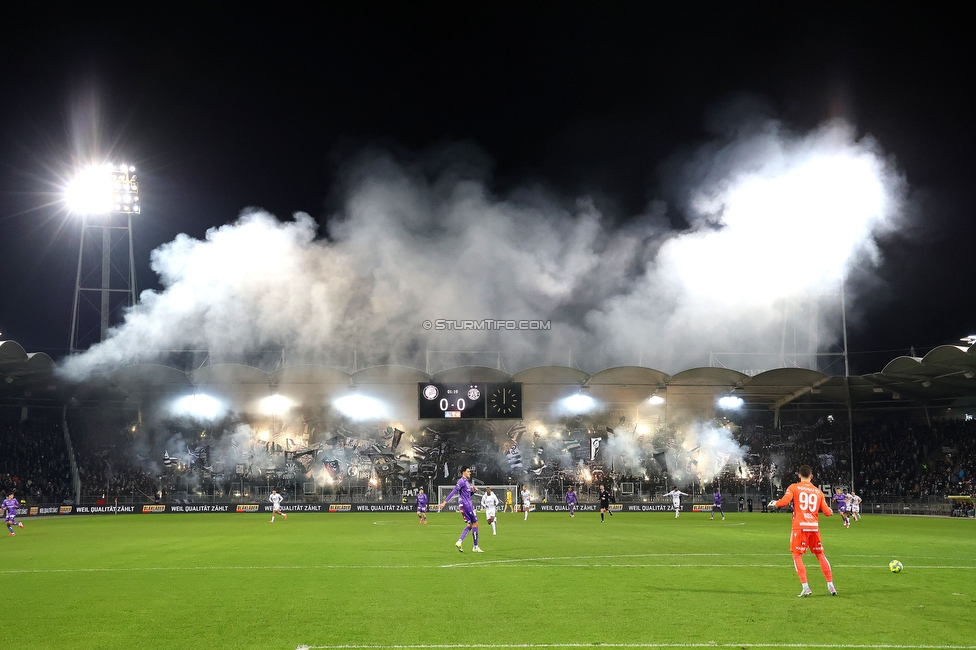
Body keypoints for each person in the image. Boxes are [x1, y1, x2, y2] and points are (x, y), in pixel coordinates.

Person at [769, 465, 836, 597]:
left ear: (799, 475)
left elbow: (784, 502)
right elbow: (827, 513)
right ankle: (831, 586)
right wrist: (831, 511)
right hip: (813, 527)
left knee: (797, 555)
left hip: (800, 526)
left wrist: (775, 504)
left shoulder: (794, 487)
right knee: (820, 555)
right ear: (811, 476)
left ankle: (805, 586)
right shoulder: (818, 492)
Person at [438, 466, 482, 552]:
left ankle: (459, 541)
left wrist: (473, 491)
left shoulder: (466, 482)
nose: (470, 473)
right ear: (463, 472)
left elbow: (467, 496)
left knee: (470, 525)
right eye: (468, 471)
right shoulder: (461, 481)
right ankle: (475, 547)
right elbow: (454, 491)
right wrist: (445, 502)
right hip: (467, 506)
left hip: (465, 505)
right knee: (475, 524)